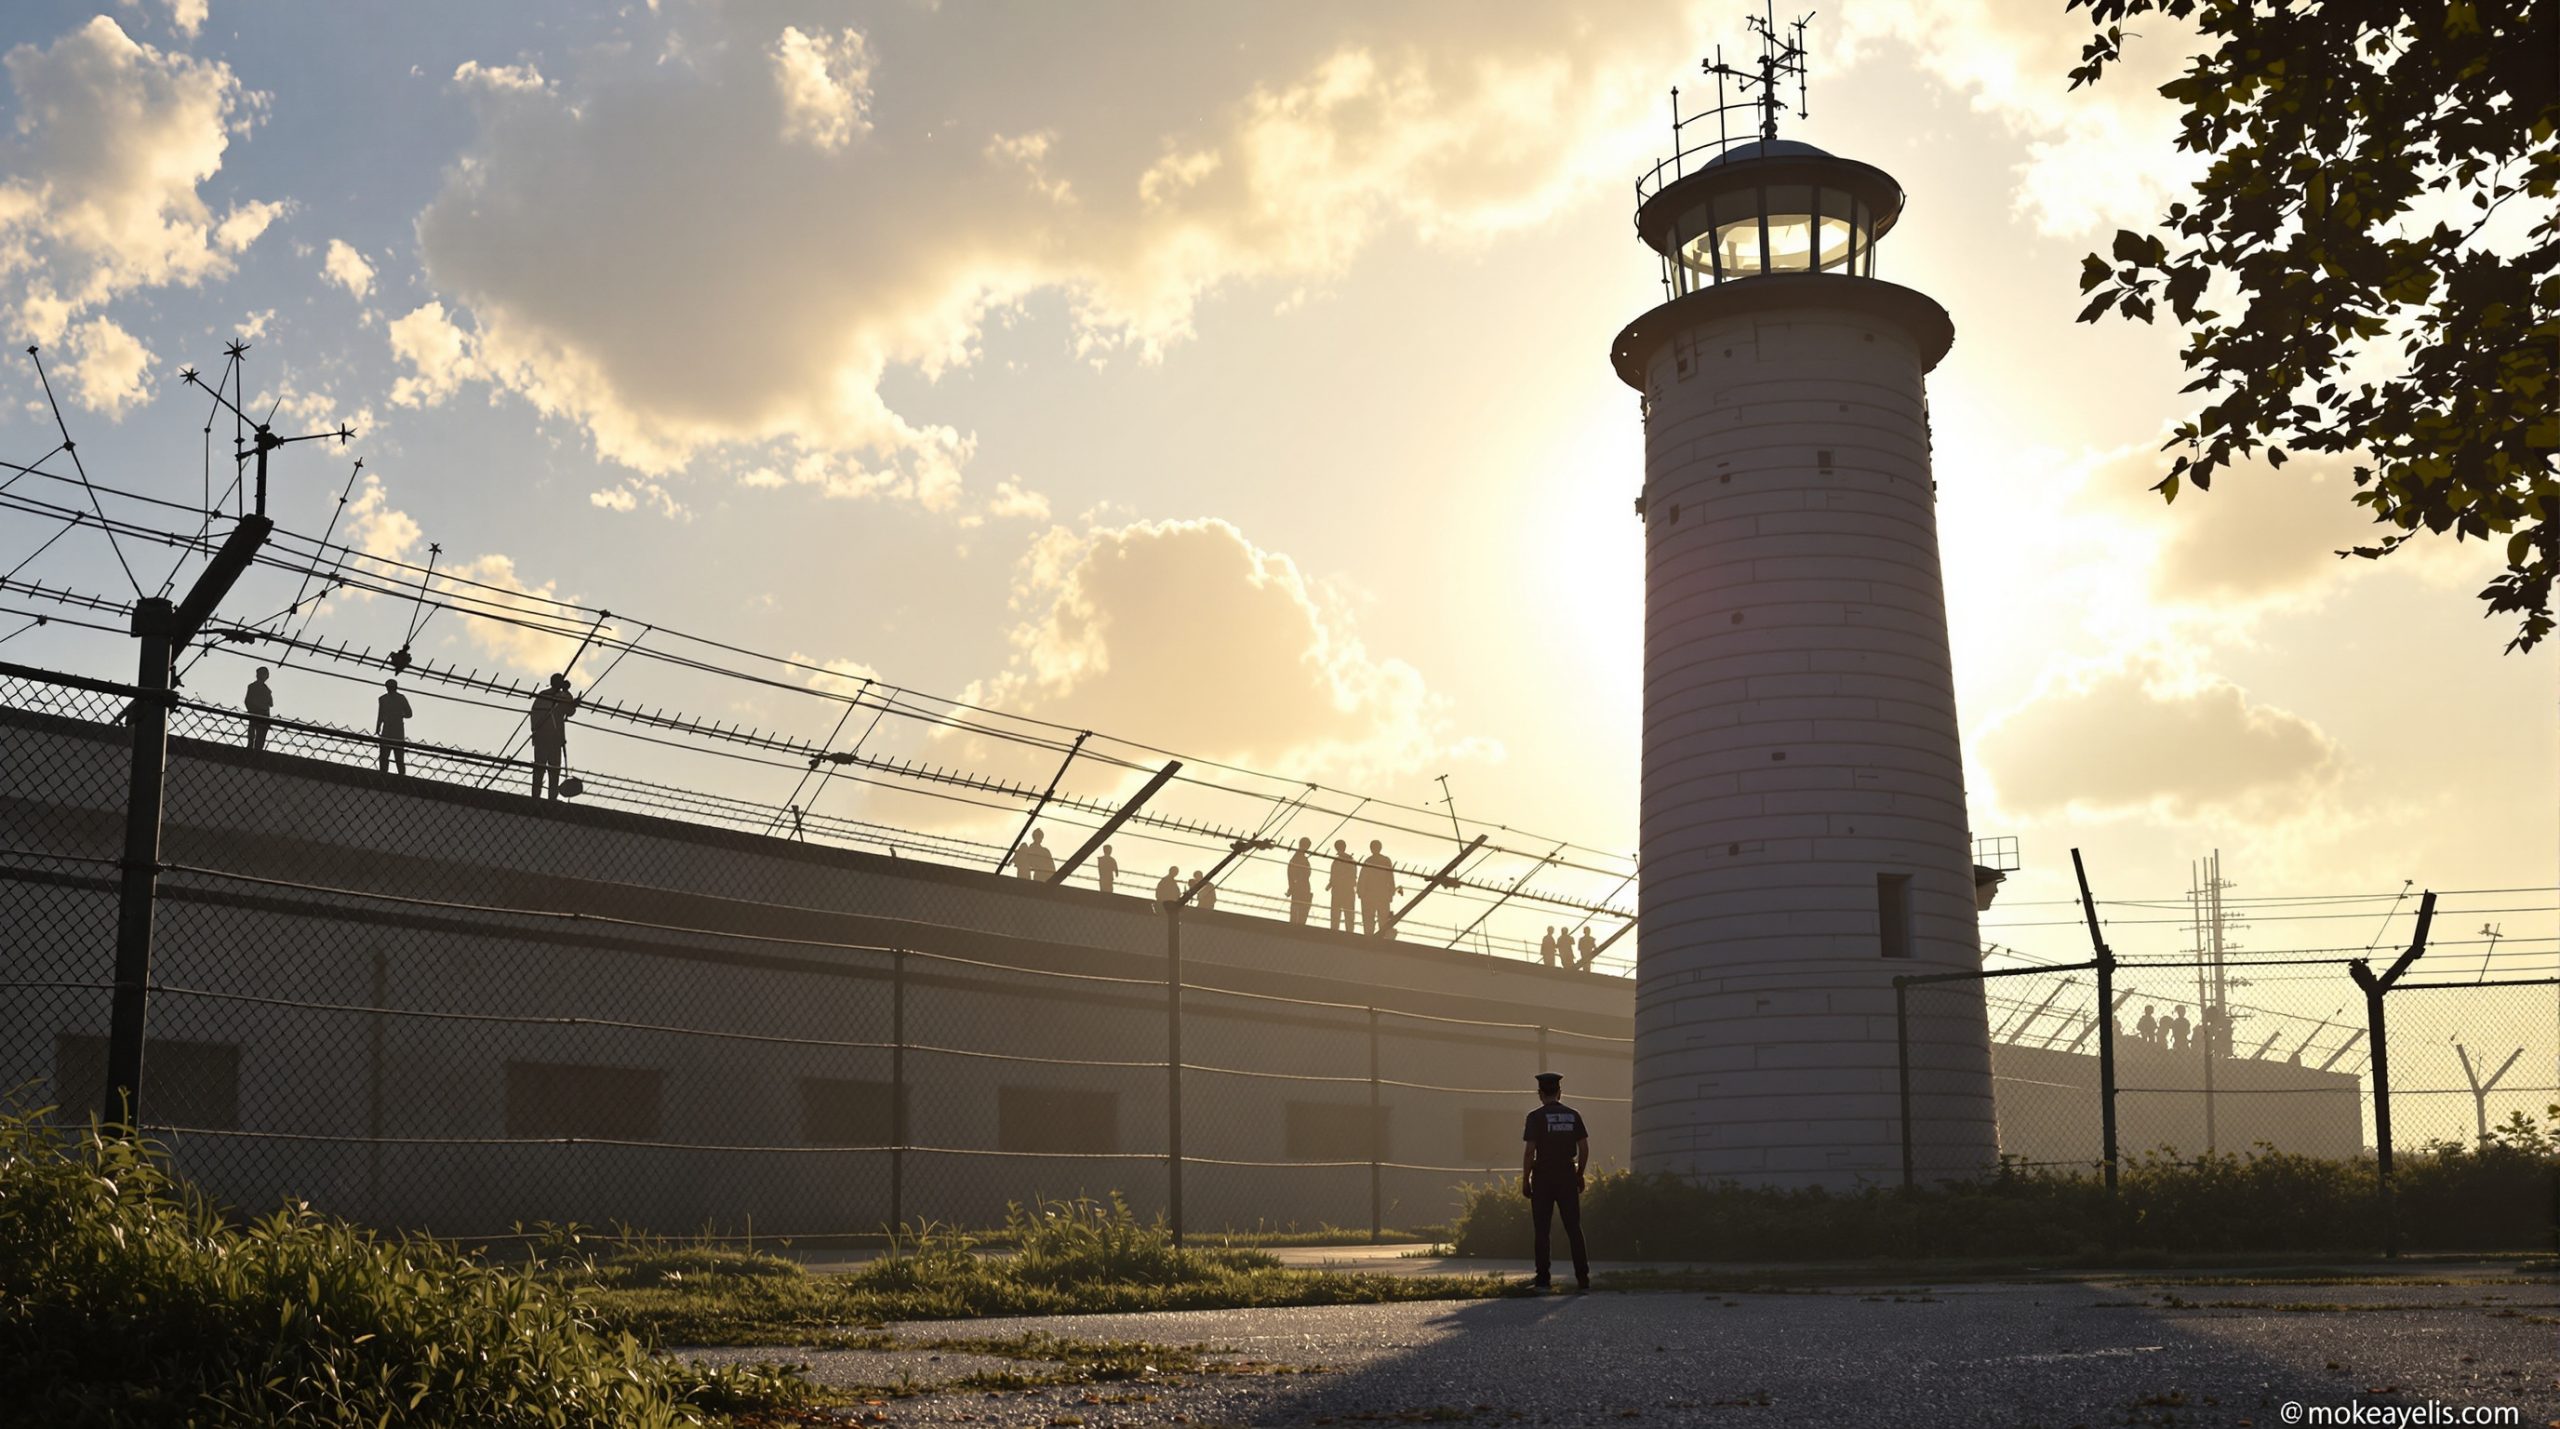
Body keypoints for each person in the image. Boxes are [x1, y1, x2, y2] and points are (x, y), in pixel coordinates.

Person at [1521, 1071, 1591, 1292]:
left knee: (1542, 1229)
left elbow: (1529, 1151)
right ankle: (1583, 1277)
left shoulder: (1535, 1117)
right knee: (1573, 1227)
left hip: (1543, 1177)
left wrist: (1525, 1179)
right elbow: (1584, 1148)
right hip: (1566, 1175)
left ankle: (1543, 1279)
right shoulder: (1574, 1115)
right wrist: (1579, 1174)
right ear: (1560, 1092)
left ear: (1540, 1093)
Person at [528, 672, 579, 800]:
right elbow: (570, 710)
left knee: (544, 769)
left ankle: (542, 797)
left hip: (544, 738)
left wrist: (567, 694)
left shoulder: (546, 695)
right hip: (551, 738)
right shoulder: (555, 696)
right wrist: (567, 693)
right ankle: (546, 798)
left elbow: (569, 710)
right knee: (550, 770)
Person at [1358, 839, 1396, 937]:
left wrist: (1361, 893)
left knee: (1369, 919)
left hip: (1371, 895)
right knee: (1381, 919)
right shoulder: (1385, 861)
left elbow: (1362, 879)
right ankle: (1381, 937)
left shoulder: (1368, 861)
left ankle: (1370, 937)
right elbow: (1390, 878)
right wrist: (1391, 893)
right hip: (1380, 895)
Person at [375, 677, 412, 774]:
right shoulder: (385, 699)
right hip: (391, 729)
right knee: (388, 756)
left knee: (395, 757)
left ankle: (396, 775)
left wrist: (378, 727)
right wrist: (378, 727)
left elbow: (409, 713)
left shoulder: (387, 699)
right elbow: (380, 714)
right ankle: (387, 774)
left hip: (394, 730)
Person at [1327, 839, 1357, 932]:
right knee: (1349, 914)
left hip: (1339, 890)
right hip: (1348, 890)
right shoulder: (1351, 860)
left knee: (1336, 914)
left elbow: (1334, 876)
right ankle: (1349, 932)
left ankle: (1335, 931)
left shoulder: (1337, 861)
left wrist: (1331, 884)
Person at [243, 667, 274, 753]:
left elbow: (271, 704)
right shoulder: (257, 688)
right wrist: (252, 710)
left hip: (262, 715)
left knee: (259, 737)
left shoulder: (266, 689)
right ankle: (252, 750)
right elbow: (247, 701)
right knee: (254, 735)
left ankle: (255, 750)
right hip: (258, 713)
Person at [1285, 837, 1314, 925]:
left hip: (1300, 887)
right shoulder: (1298, 858)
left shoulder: (1298, 857)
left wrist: (1291, 887)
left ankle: (1297, 927)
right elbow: (1292, 874)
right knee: (1299, 912)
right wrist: (1292, 886)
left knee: (1299, 912)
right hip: (1301, 887)